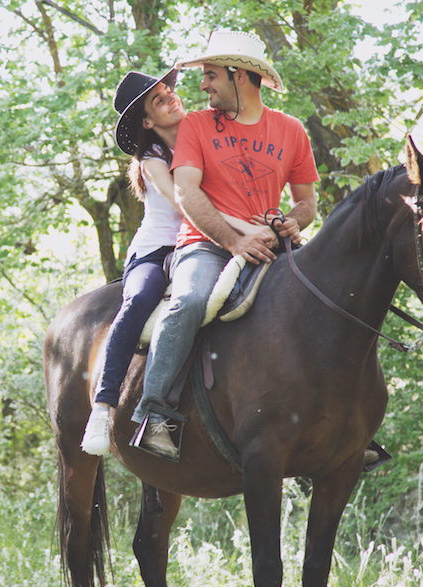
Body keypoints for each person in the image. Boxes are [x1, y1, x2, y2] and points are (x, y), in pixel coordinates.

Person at [131, 29, 320, 460]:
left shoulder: (291, 130)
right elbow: (187, 194)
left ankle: (350, 424)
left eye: (211, 75)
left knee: (332, 296)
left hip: (270, 244)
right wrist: (234, 240)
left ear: (241, 76)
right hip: (205, 244)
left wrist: (290, 223)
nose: (203, 85)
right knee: (190, 301)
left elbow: (307, 202)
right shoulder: (197, 125)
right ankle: (153, 413)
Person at [81, 68, 266, 456]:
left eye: (170, 91)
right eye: (160, 99)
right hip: (160, 250)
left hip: (209, 240)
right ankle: (103, 407)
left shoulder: (202, 135)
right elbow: (184, 201)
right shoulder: (151, 159)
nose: (172, 97)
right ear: (148, 121)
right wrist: (243, 228)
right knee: (138, 300)